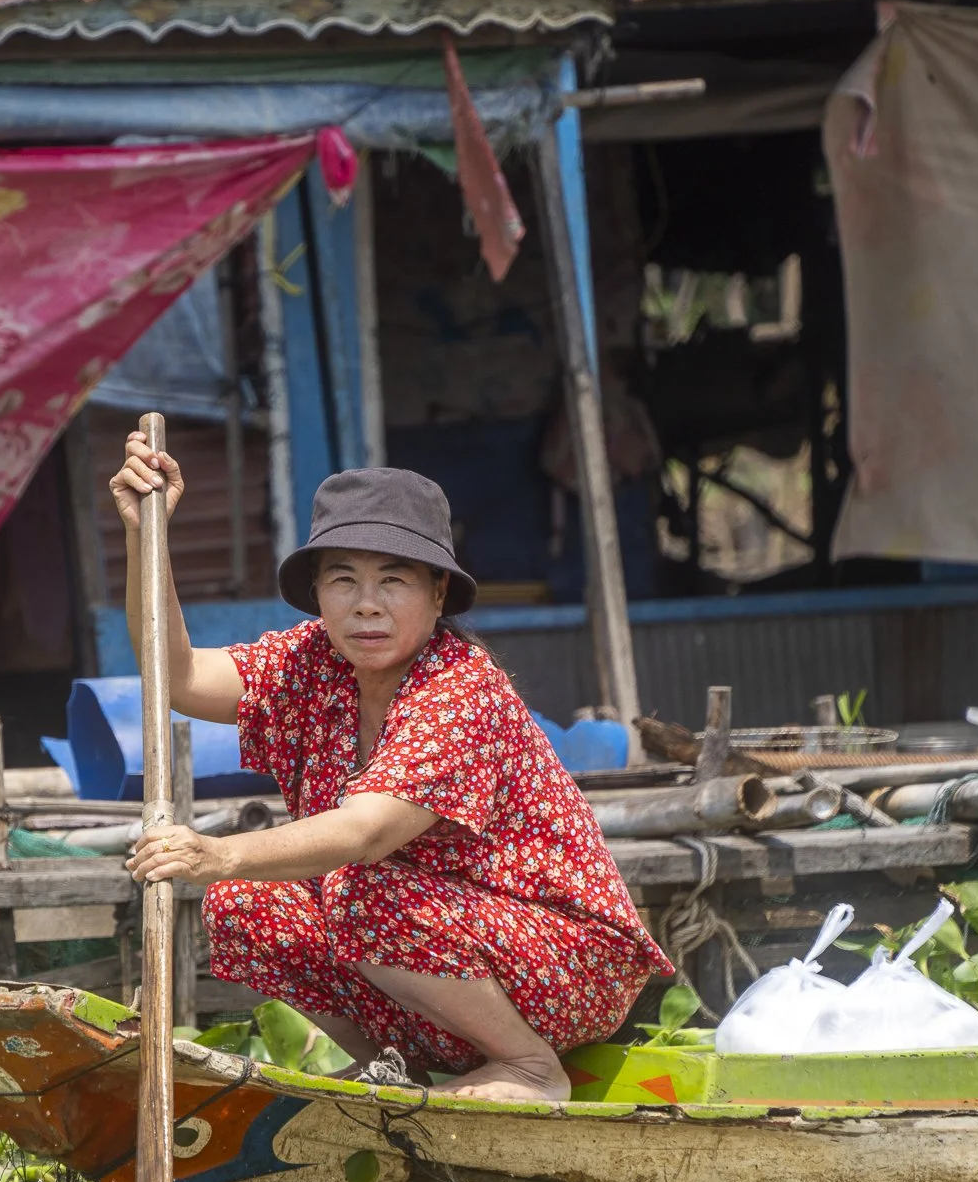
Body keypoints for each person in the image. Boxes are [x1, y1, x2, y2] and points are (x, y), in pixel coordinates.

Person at [113, 432, 669, 1102]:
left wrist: (218, 853)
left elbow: (368, 833)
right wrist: (148, 539)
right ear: (318, 593)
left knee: (351, 884)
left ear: (438, 596)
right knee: (246, 901)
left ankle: (527, 1066)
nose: (366, 604)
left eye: (394, 580)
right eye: (343, 579)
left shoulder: (461, 688)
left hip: (568, 965)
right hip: (434, 949)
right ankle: (394, 1066)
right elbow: (177, 675)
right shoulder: (310, 663)